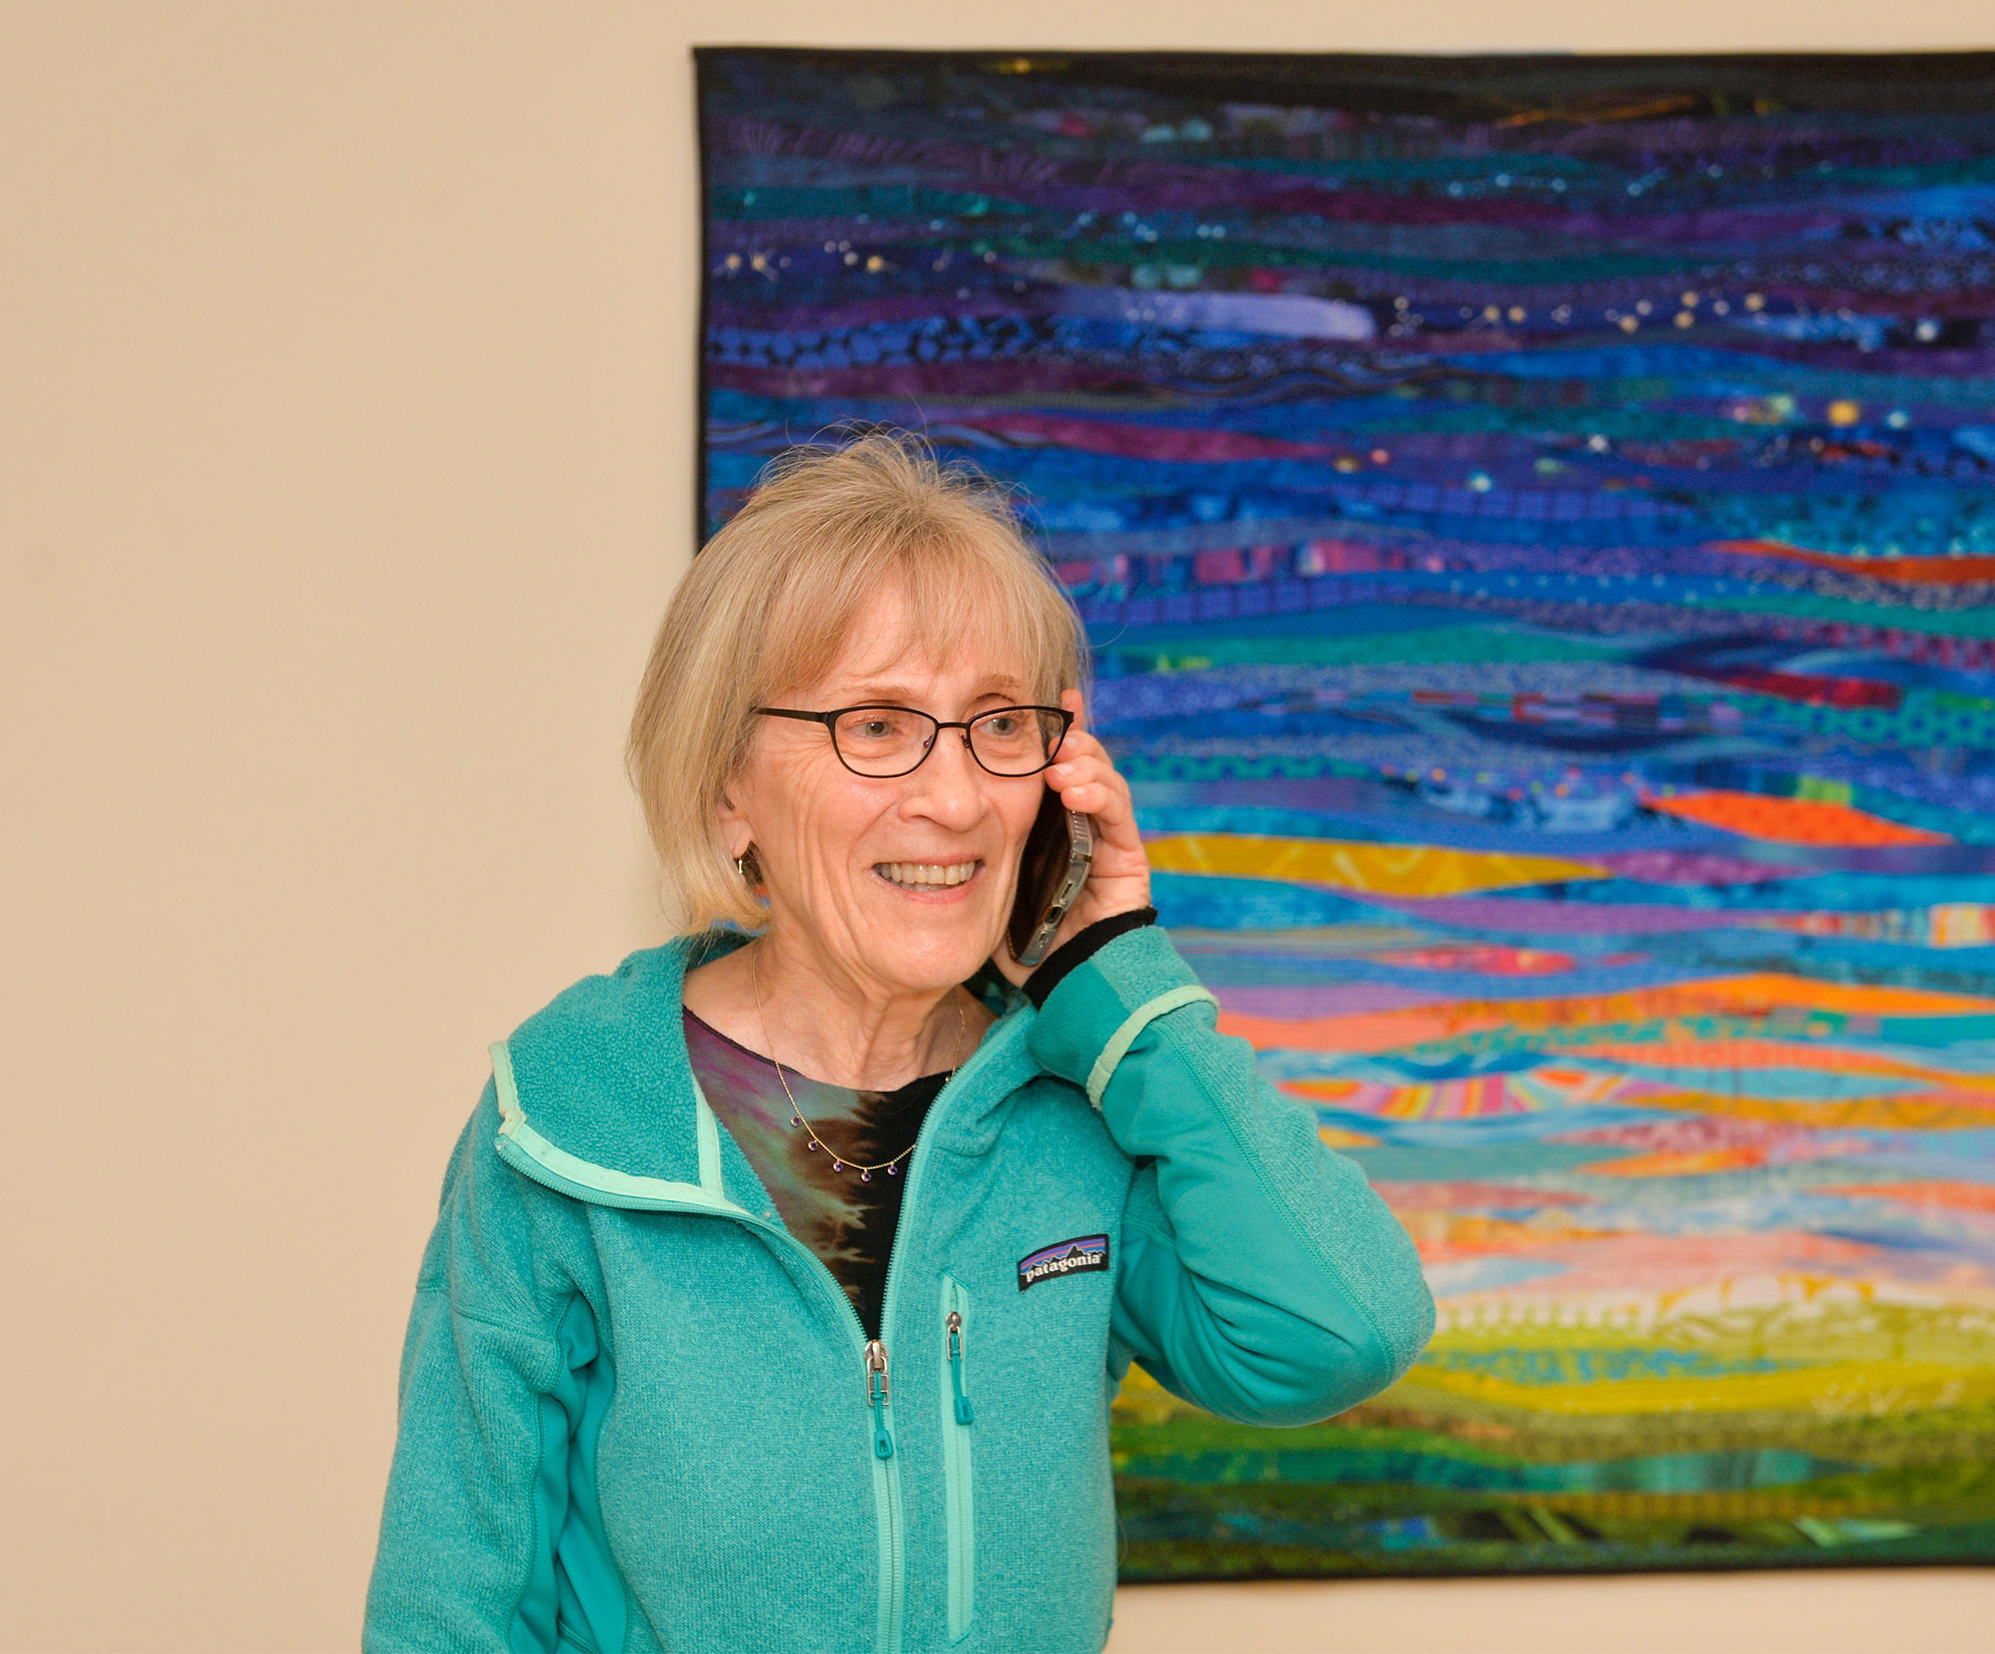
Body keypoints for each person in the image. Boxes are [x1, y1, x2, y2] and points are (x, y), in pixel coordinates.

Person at [363, 434, 1433, 1654]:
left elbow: (1338, 1334)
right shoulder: (566, 1128)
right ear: (728, 787)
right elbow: (451, 1605)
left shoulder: (1075, 1110)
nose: (958, 796)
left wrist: (1121, 973)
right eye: (876, 725)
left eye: (997, 724)